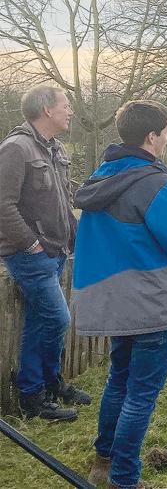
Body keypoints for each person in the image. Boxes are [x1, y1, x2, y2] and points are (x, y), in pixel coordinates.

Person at [72, 100, 167, 489]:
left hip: (114, 303)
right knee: (141, 394)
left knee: (119, 380)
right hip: (152, 304)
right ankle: (125, 479)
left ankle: (103, 463)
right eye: (166, 133)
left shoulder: (100, 178)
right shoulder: (158, 185)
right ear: (151, 136)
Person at [0, 85, 88, 421]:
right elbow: (3, 205)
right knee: (57, 318)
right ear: (47, 110)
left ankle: (49, 386)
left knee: (41, 321)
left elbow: (64, 201)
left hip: (55, 250)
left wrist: (75, 237)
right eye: (66, 105)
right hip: (30, 255)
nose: (70, 111)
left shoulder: (55, 148)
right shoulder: (16, 148)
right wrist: (30, 244)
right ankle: (32, 396)